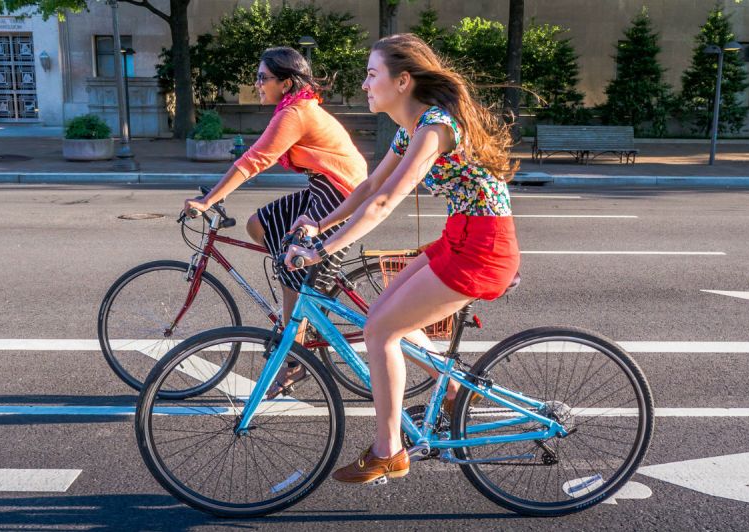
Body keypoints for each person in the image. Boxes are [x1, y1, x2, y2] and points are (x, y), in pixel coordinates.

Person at [285, 33, 521, 484]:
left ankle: (388, 450)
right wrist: (321, 225)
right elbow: (369, 188)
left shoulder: (434, 127)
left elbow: (384, 204)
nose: (364, 84)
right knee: (385, 318)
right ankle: (453, 388)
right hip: (461, 236)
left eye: (372, 74)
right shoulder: (411, 129)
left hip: (483, 247)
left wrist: (321, 249)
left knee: (380, 331)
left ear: (403, 81)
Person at [184, 47, 368, 399]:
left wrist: (209, 200)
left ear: (285, 83)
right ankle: (304, 286)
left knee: (291, 267)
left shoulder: (296, 113)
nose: (257, 84)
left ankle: (295, 357)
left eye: (262, 77)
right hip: (323, 185)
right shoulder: (293, 108)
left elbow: (254, 161)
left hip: (340, 191)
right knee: (259, 224)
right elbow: (257, 158)